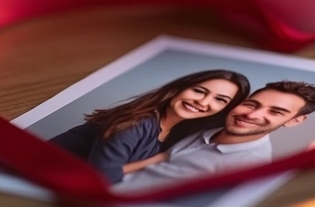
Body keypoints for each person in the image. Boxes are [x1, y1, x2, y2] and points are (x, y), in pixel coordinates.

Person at [116, 80, 315, 192]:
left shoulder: (244, 167)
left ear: (294, 120)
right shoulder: (208, 126)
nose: (251, 114)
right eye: (251, 104)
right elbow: (164, 158)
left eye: (275, 112)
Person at [47, 69, 250, 184]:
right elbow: (103, 178)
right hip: (39, 178)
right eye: (199, 91)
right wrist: (159, 159)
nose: (204, 103)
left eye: (220, 100)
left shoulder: (180, 131)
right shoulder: (134, 124)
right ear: (177, 89)